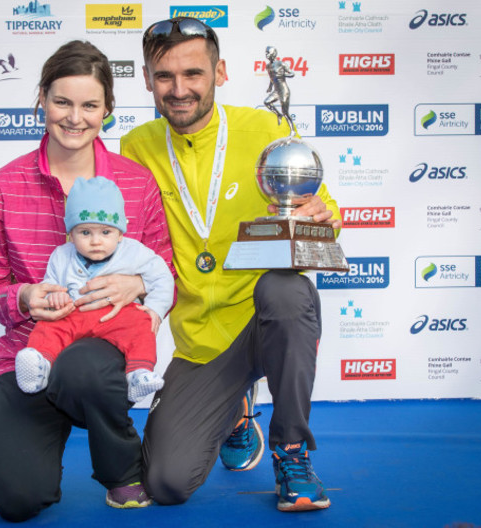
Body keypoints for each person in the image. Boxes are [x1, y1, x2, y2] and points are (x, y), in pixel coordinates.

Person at [120, 17, 341, 512]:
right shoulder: (136, 146)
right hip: (201, 343)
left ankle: (291, 451)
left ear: (219, 73)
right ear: (147, 78)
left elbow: (322, 208)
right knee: (167, 482)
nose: (179, 90)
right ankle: (236, 411)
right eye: (164, 77)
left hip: (264, 317)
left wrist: (320, 216)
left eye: (193, 74)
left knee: (287, 291)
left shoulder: (267, 128)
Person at [0, 40, 174, 520]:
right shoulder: (1, 186)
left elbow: (161, 265)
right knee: (18, 501)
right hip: (30, 348)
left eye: (90, 105)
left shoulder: (136, 182)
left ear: (107, 110)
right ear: (41, 98)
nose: (75, 117)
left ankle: (122, 472)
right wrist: (23, 296)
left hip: (102, 346)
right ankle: (9, 454)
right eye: (62, 101)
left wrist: (137, 287)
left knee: (85, 368)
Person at [15, 176, 174, 403]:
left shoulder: (135, 252)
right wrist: (55, 296)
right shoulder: (61, 255)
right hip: (73, 314)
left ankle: (138, 373)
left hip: (117, 316)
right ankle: (39, 364)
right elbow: (50, 284)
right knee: (48, 326)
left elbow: (163, 277)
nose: (95, 241)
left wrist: (155, 309)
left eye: (106, 232)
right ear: (71, 234)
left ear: (121, 233)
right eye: (85, 233)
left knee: (142, 324)